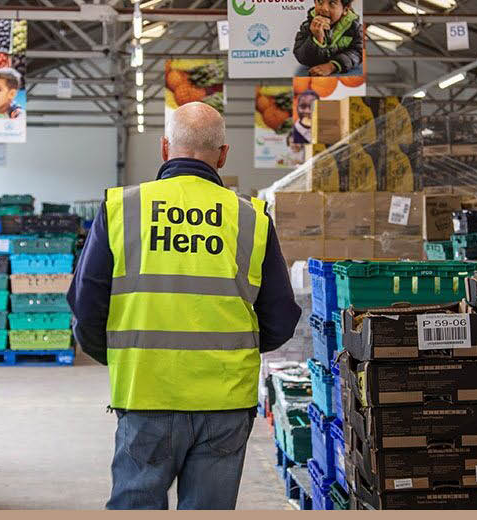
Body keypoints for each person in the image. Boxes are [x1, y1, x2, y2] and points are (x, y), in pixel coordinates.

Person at [67, 102, 301, 510]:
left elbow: (87, 305)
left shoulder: (123, 208)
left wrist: (120, 357)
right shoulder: (250, 217)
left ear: (164, 148)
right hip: (225, 401)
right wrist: (230, 353)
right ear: (223, 154)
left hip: (145, 390)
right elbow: (280, 317)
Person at [292, 0, 363, 77]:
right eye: (320, 2)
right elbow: (302, 57)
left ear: (345, 10)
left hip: (343, 74)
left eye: (332, 3)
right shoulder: (307, 26)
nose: (324, 8)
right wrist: (317, 39)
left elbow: (358, 52)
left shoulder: (355, 28)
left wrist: (332, 66)